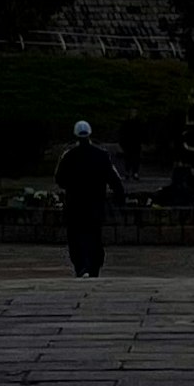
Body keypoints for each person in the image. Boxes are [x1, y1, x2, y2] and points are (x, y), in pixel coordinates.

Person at [57, 118, 123, 278]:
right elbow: (114, 179)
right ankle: (93, 267)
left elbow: (59, 179)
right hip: (95, 204)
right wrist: (119, 197)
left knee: (75, 238)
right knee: (94, 237)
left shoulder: (69, 156)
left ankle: (81, 266)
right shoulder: (101, 155)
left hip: (75, 204)